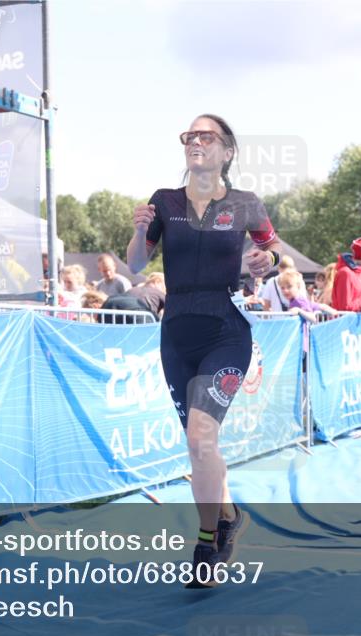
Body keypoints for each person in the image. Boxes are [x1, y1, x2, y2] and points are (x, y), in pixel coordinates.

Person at [126, 113, 282, 587]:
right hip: (176, 335)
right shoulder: (163, 202)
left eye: (206, 136)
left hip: (227, 332)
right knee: (201, 447)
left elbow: (277, 256)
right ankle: (230, 515)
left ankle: (208, 542)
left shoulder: (246, 204)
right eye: (189, 136)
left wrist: (266, 260)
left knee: (200, 436)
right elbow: (136, 263)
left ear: (227, 151)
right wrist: (137, 235)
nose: (195, 142)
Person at [331, 236, 361, 312]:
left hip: (352, 321)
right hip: (343, 322)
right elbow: (345, 307)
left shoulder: (358, 271)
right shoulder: (345, 273)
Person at [101, 272, 167, 321]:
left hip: (110, 304)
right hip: (138, 311)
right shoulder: (158, 292)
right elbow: (172, 308)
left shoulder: (135, 288)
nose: (165, 290)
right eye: (165, 286)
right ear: (157, 281)